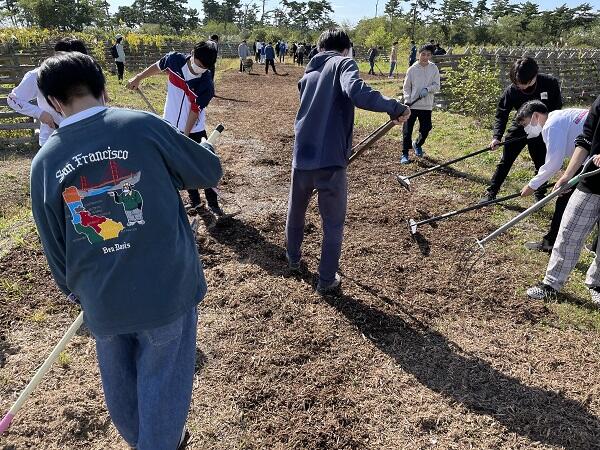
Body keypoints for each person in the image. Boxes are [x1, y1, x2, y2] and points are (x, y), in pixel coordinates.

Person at [32, 51, 222, 450]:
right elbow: (208, 171)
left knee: (120, 385)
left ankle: (150, 441)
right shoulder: (140, 125)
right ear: (103, 88)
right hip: (166, 287)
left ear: (51, 102)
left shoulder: (45, 162)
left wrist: (76, 290)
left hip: (101, 297)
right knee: (164, 382)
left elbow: (54, 247)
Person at [286, 28, 410, 294]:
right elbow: (357, 91)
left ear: (320, 48)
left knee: (296, 210)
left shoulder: (307, 74)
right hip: (330, 159)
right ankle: (326, 279)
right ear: (345, 48)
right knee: (333, 222)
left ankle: (293, 259)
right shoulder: (343, 63)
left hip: (302, 155)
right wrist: (395, 107)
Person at [127, 42, 225, 217]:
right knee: (181, 166)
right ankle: (195, 201)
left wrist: (184, 136)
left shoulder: (206, 84)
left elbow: (195, 111)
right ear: (192, 52)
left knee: (203, 164)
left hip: (193, 129)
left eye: (205, 67)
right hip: (170, 124)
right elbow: (157, 66)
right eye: (198, 63)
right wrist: (138, 78)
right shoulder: (174, 60)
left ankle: (213, 204)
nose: (200, 69)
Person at [526, 95, 600, 305]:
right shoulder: (599, 103)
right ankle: (551, 284)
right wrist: (567, 175)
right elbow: (585, 139)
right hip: (592, 180)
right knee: (569, 230)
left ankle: (596, 283)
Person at [481, 57, 562, 203]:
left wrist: (546, 127)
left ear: (534, 75)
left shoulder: (550, 83)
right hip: (521, 126)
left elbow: (557, 108)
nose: (522, 87)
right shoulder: (512, 90)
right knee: (506, 160)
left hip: (543, 127)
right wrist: (497, 136)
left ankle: (539, 194)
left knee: (541, 162)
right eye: (518, 84)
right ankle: (491, 192)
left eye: (525, 83)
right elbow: (502, 113)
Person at [516, 100, 588, 252]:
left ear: (535, 116)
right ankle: (551, 241)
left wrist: (532, 185)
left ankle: (550, 243)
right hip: (588, 156)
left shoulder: (551, 125)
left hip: (593, 157)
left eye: (525, 124)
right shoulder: (558, 117)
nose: (526, 129)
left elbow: (554, 163)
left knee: (564, 198)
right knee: (567, 197)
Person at [7, 38, 88, 147]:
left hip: (83, 137)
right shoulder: (37, 75)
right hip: (52, 140)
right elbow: (13, 99)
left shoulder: (85, 74)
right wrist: (40, 113)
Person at [400, 44, 440, 164]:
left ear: (431, 56)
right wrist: (407, 100)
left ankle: (417, 144)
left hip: (426, 105)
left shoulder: (434, 68)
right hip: (412, 105)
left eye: (428, 55)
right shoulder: (412, 69)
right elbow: (406, 87)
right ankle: (405, 153)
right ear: (419, 54)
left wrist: (428, 89)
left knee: (426, 128)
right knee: (407, 130)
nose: (425, 57)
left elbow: (437, 86)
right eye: (423, 54)